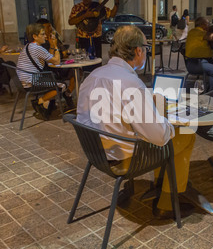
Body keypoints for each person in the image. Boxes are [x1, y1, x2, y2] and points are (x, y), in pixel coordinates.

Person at [77, 25, 196, 218]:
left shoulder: (92, 76)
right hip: (121, 159)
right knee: (186, 136)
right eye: (146, 49)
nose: (146, 53)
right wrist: (167, 123)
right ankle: (167, 202)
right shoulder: (130, 83)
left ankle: (161, 183)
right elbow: (158, 137)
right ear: (138, 50)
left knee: (156, 132)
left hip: (96, 153)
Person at [17, 23, 73, 119]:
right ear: (35, 36)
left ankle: (45, 103)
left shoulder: (29, 46)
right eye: (42, 34)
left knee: (55, 79)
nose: (45, 36)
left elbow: (49, 58)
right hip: (32, 82)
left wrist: (51, 45)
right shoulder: (37, 48)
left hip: (26, 80)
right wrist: (55, 45)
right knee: (62, 85)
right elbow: (56, 61)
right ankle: (39, 101)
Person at [68, 0, 119, 72]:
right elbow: (71, 21)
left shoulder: (98, 7)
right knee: (84, 64)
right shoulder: (77, 8)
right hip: (83, 39)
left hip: (96, 38)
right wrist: (85, 16)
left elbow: (112, 14)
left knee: (97, 63)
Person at [35, 18, 76, 112]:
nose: (50, 29)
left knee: (75, 71)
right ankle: (43, 101)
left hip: (55, 68)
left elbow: (60, 52)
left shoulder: (51, 38)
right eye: (47, 27)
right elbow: (52, 59)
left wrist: (57, 46)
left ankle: (68, 94)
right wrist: (57, 49)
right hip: (46, 72)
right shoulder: (41, 43)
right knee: (63, 83)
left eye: (50, 27)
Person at [185, 17, 213, 92]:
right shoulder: (198, 32)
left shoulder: (193, 32)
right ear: (202, 25)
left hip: (197, 62)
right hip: (196, 63)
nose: (209, 25)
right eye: (208, 24)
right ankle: (212, 92)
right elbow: (212, 37)